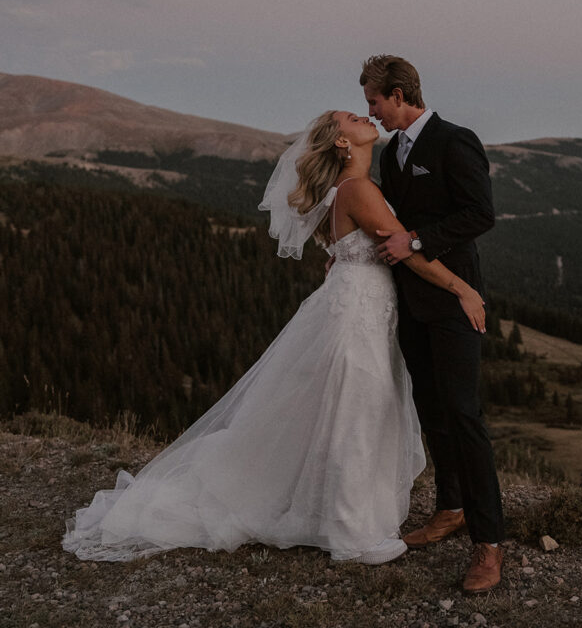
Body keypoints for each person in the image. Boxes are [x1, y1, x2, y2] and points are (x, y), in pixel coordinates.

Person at [63, 109, 484, 565]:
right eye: (351, 118)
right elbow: (409, 254)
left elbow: (358, 247)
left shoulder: (349, 188)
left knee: (355, 409)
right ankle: (351, 531)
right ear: (342, 144)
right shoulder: (359, 188)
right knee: (355, 412)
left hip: (359, 302)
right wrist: (463, 288)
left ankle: (333, 510)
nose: (364, 115)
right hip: (358, 311)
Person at [361, 55, 505, 595]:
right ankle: (451, 507)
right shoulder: (393, 153)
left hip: (453, 302)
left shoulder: (454, 139)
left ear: (399, 94)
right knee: (432, 409)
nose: (370, 111)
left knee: (465, 415)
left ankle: (489, 545)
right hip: (410, 303)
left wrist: (418, 241)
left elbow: (479, 213)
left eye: (374, 100)